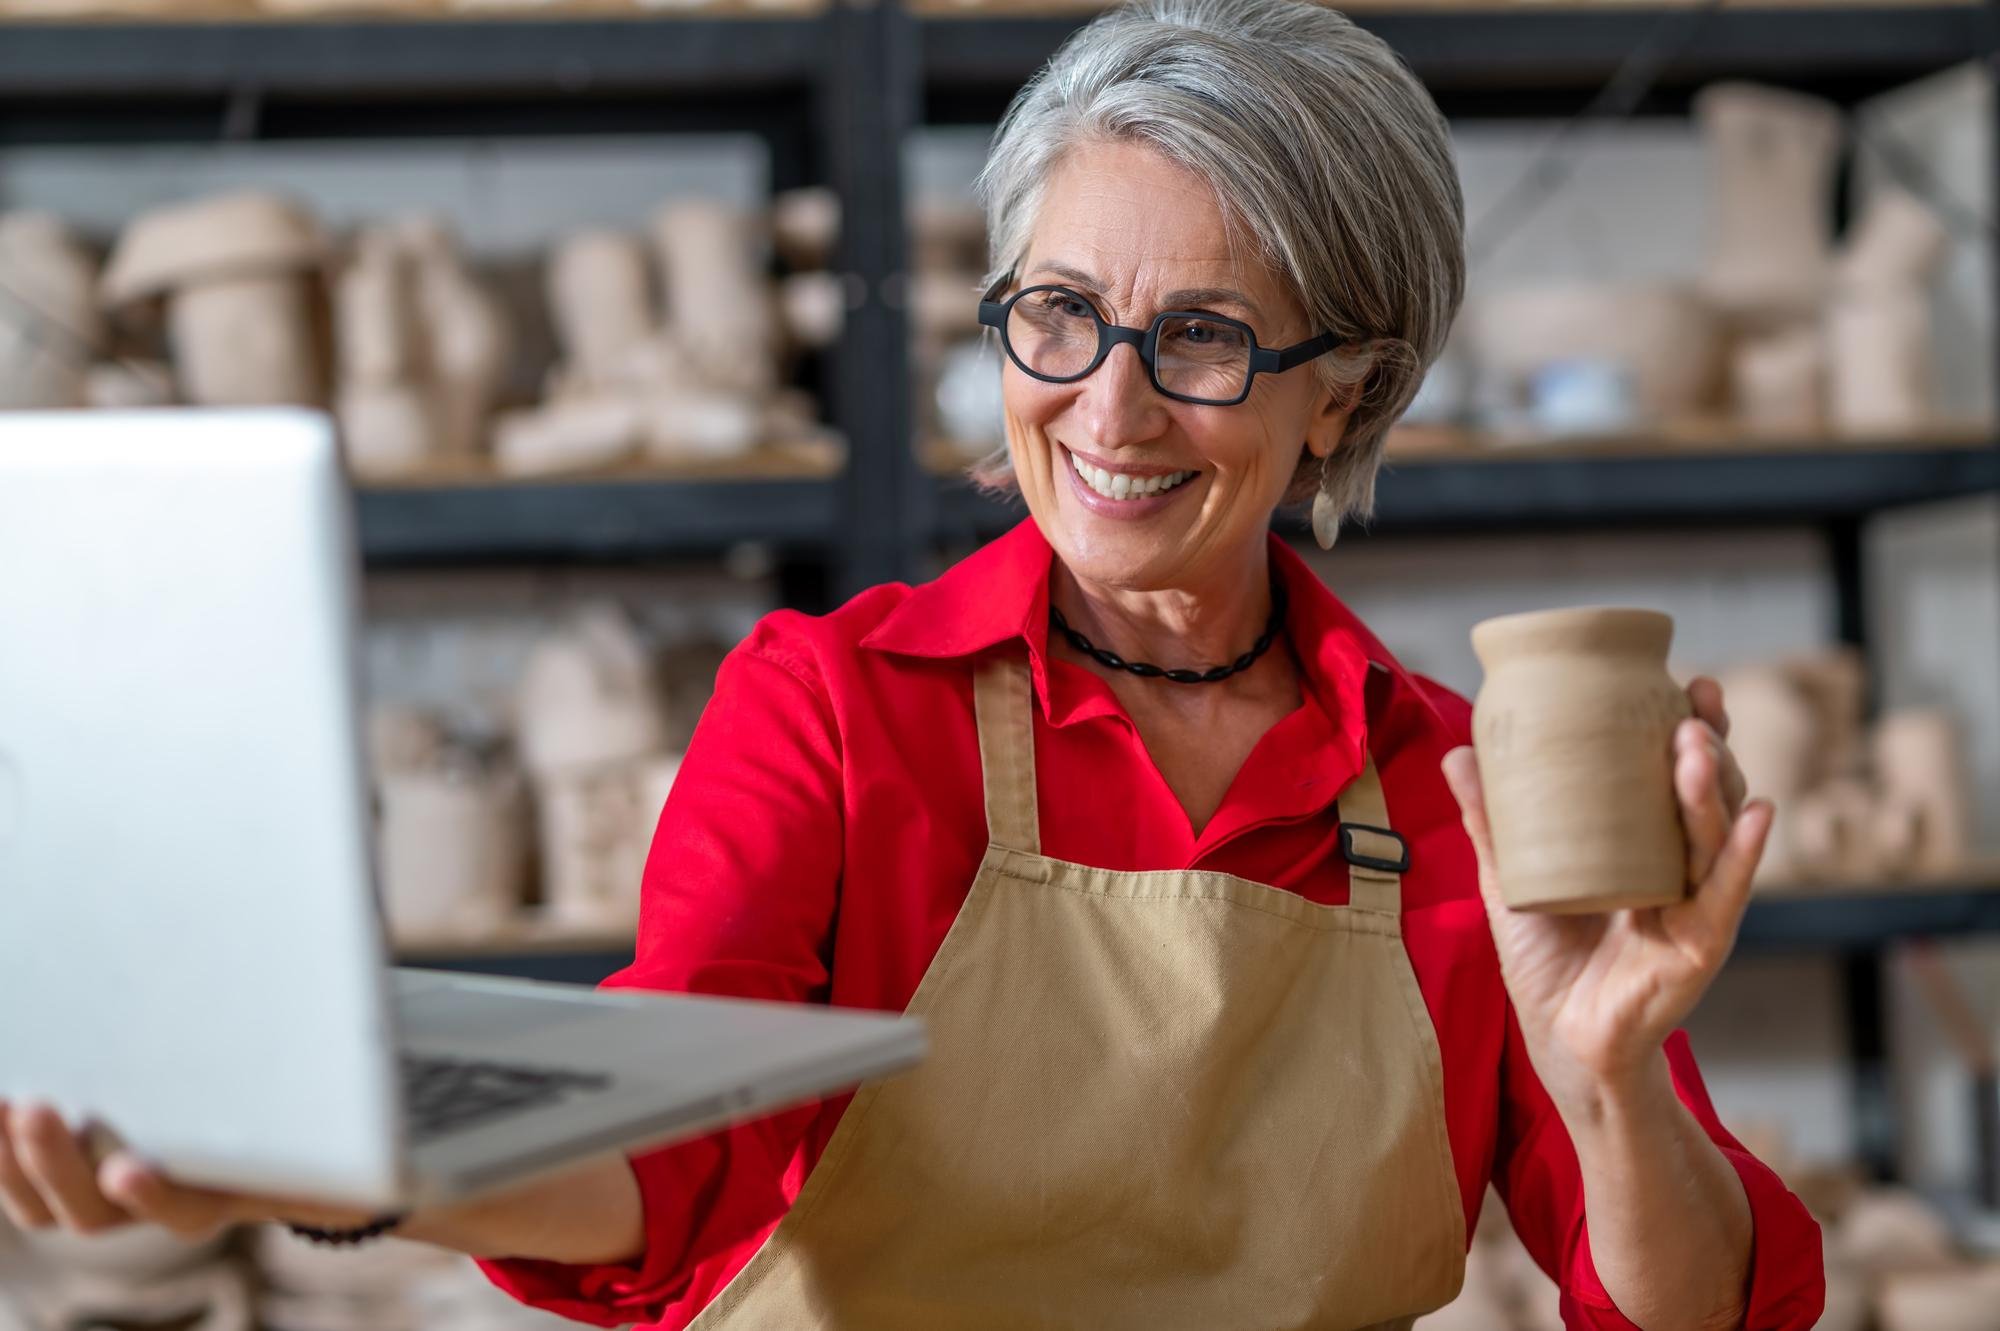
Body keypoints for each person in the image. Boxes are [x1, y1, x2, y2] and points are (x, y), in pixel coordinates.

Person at [0, 0, 1827, 1326]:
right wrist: (338, 1164)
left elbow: (1691, 1310)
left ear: (1346, 384)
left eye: (1198, 336)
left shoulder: (1454, 792)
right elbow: (670, 1165)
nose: (1103, 407)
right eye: (1056, 315)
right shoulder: (833, 705)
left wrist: (1610, 1077)